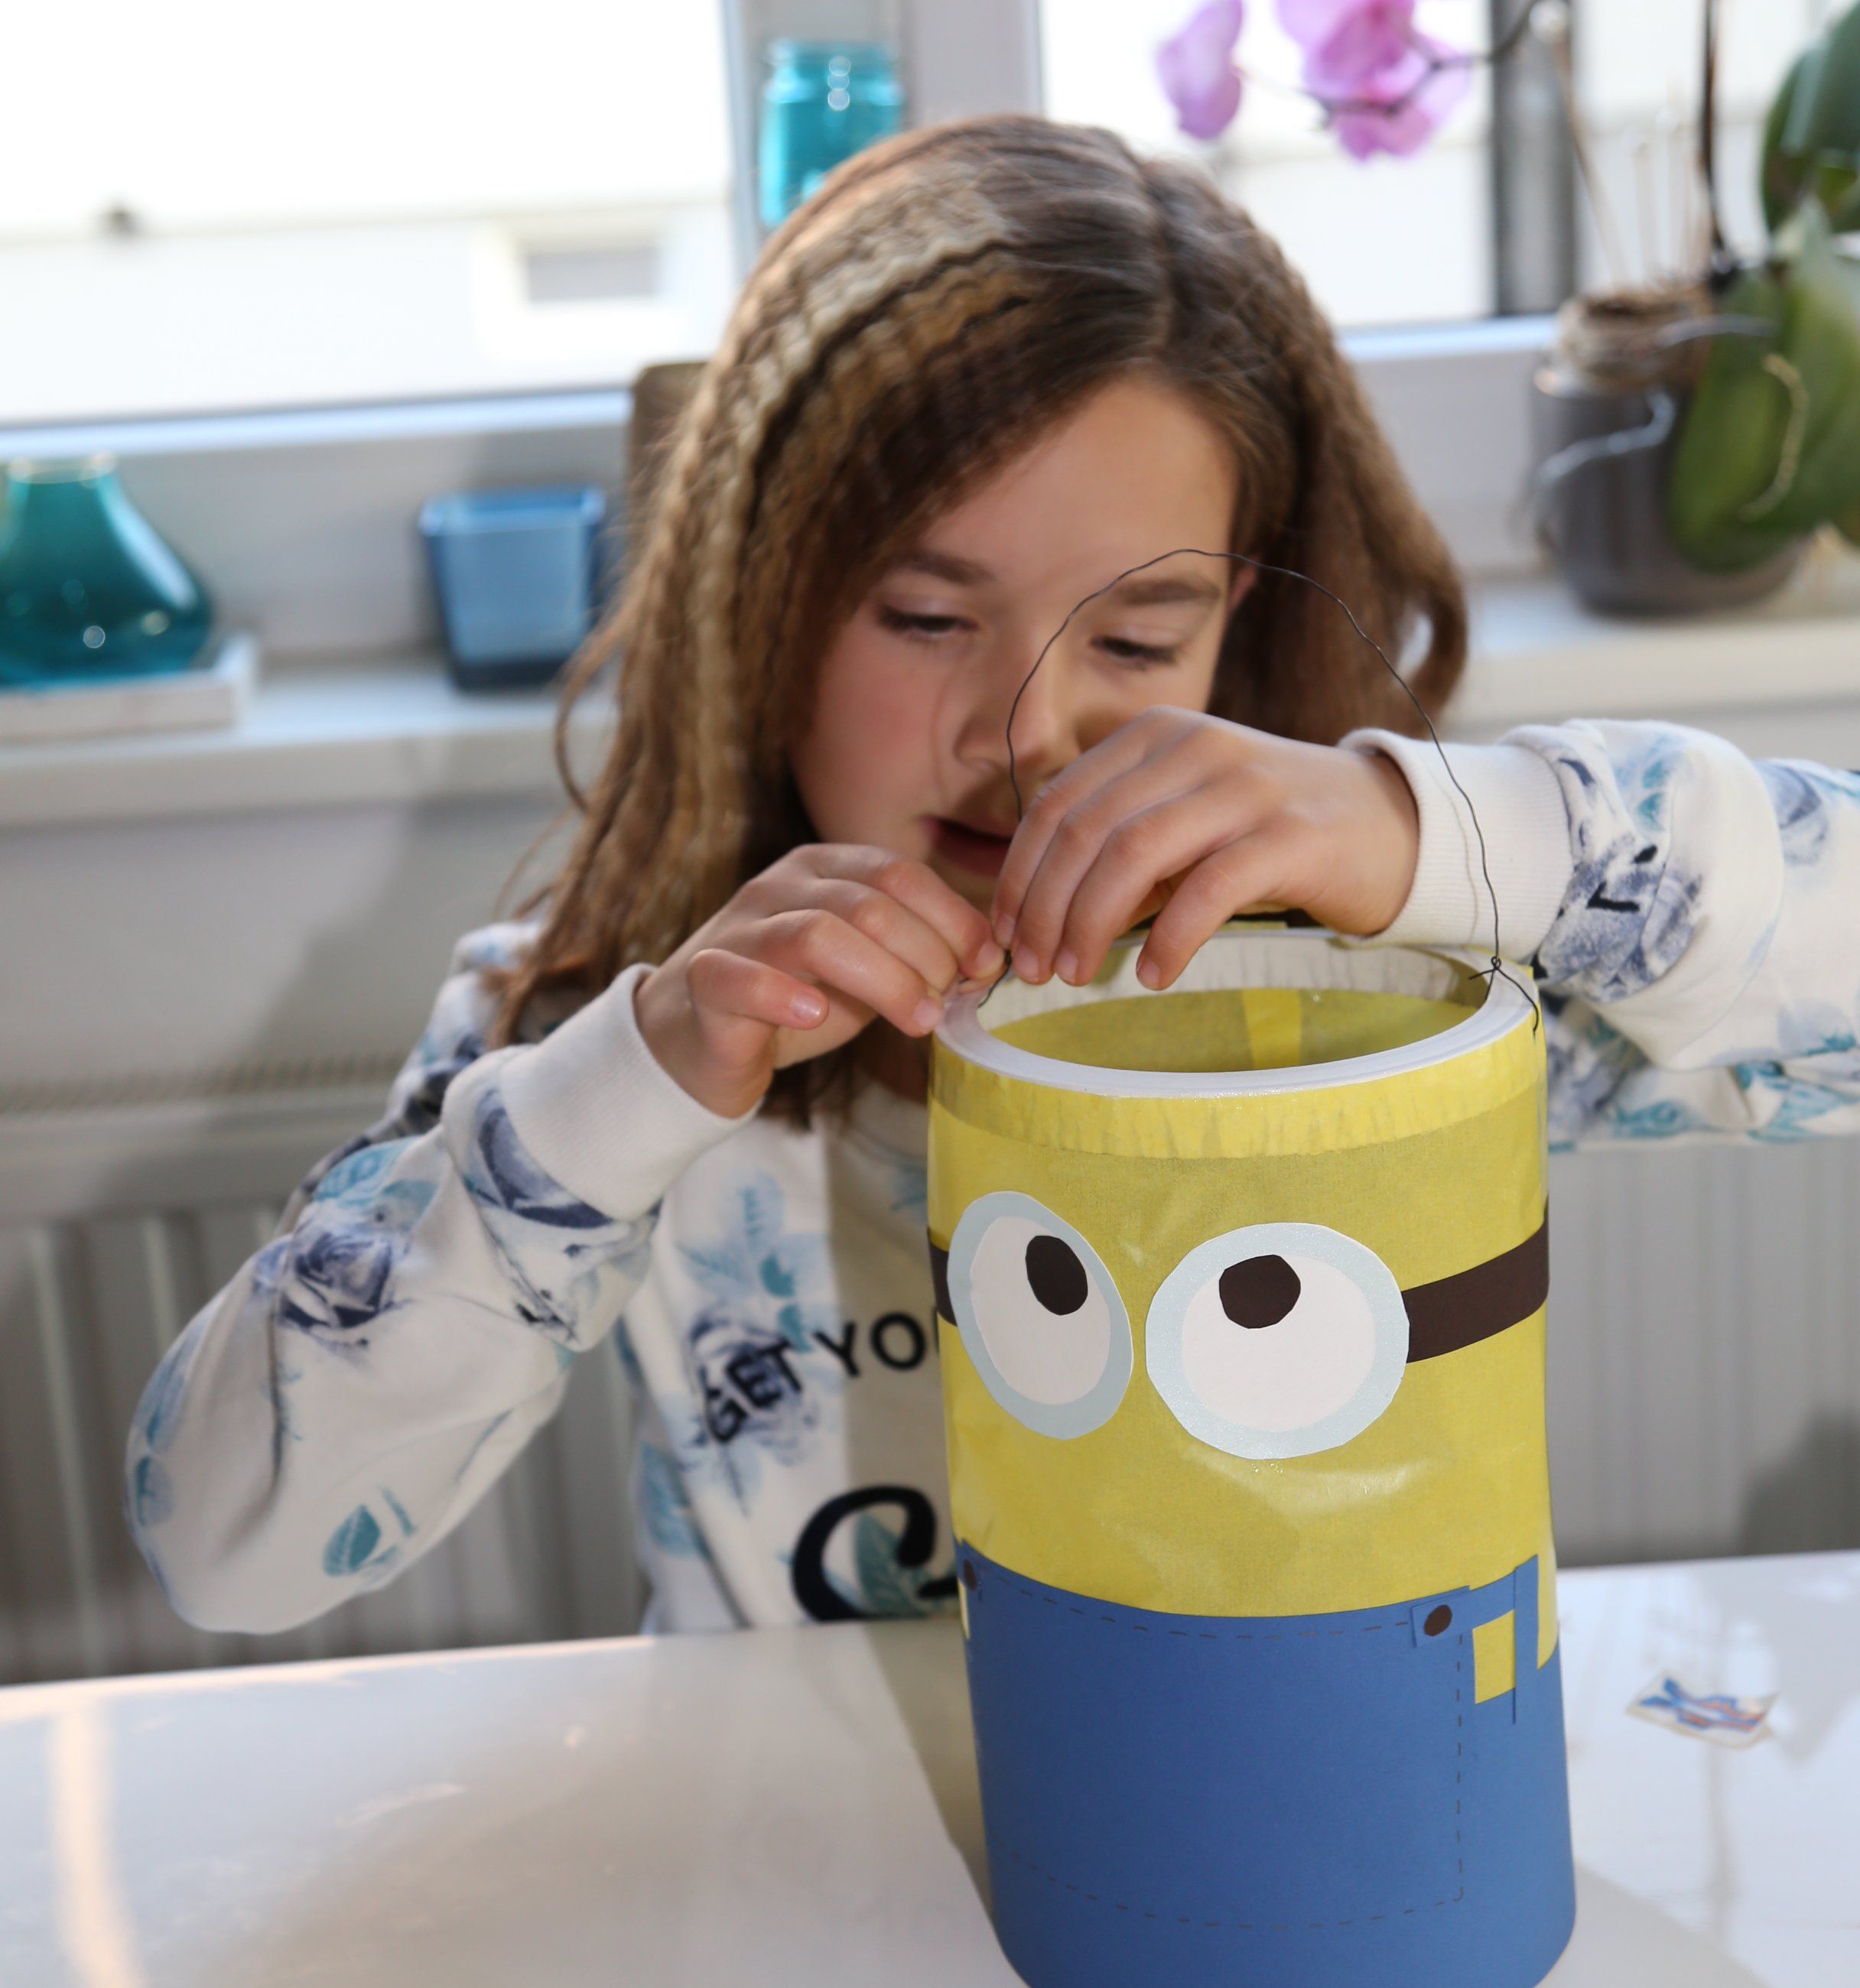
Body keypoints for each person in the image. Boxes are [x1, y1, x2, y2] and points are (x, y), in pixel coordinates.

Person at [126, 118, 1860, 1640]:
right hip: (798, 1872)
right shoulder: (588, 1031)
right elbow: (224, 1548)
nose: (1028, 731)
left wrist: (1447, 841)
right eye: (927, 618)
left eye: (1138, 635)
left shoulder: (1384, 1016)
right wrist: (624, 1092)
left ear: (1236, 630)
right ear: (760, 605)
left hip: (1284, 1855)